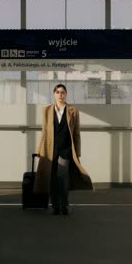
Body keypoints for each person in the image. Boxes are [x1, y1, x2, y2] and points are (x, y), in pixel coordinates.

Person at [34, 84, 92, 215]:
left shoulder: (73, 110)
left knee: (62, 177)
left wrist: (77, 152)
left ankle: (64, 205)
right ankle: (55, 206)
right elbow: (44, 131)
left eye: (63, 92)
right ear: (54, 94)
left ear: (66, 95)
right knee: (52, 178)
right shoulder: (47, 110)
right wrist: (40, 150)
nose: (60, 95)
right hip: (50, 150)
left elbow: (76, 132)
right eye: (58, 92)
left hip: (66, 150)